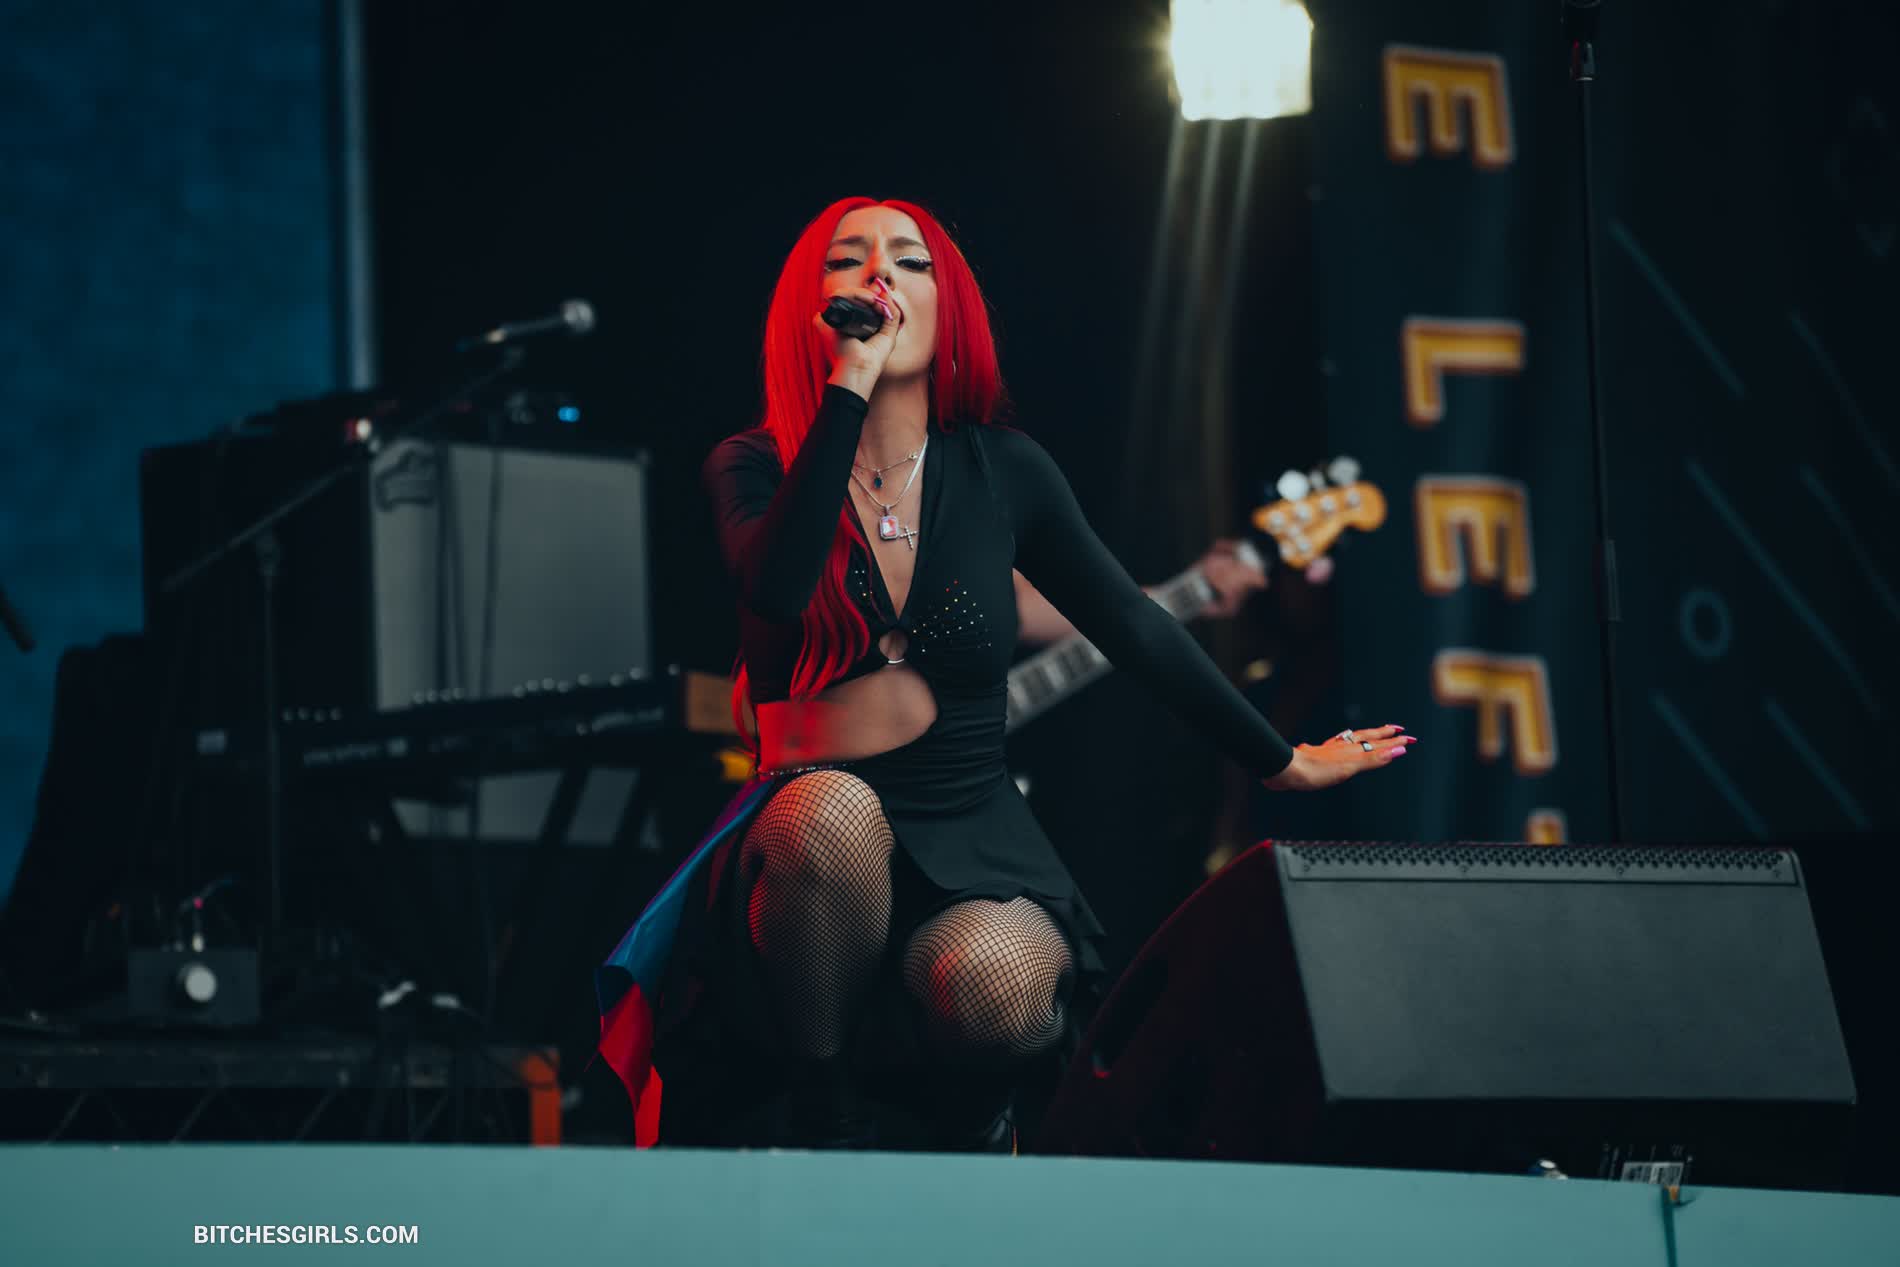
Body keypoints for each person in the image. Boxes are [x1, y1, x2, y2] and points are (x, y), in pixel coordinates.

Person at [595, 197, 1413, 1152]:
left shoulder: (1005, 470)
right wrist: (848, 388)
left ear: (949, 306)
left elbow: (1130, 623)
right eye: (848, 260)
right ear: (809, 308)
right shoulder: (753, 463)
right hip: (807, 841)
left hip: (968, 829)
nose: (880, 275)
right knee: (832, 813)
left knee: (1002, 987)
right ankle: (824, 1115)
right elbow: (777, 589)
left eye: (910, 261)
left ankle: (978, 1129)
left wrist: (1283, 760)